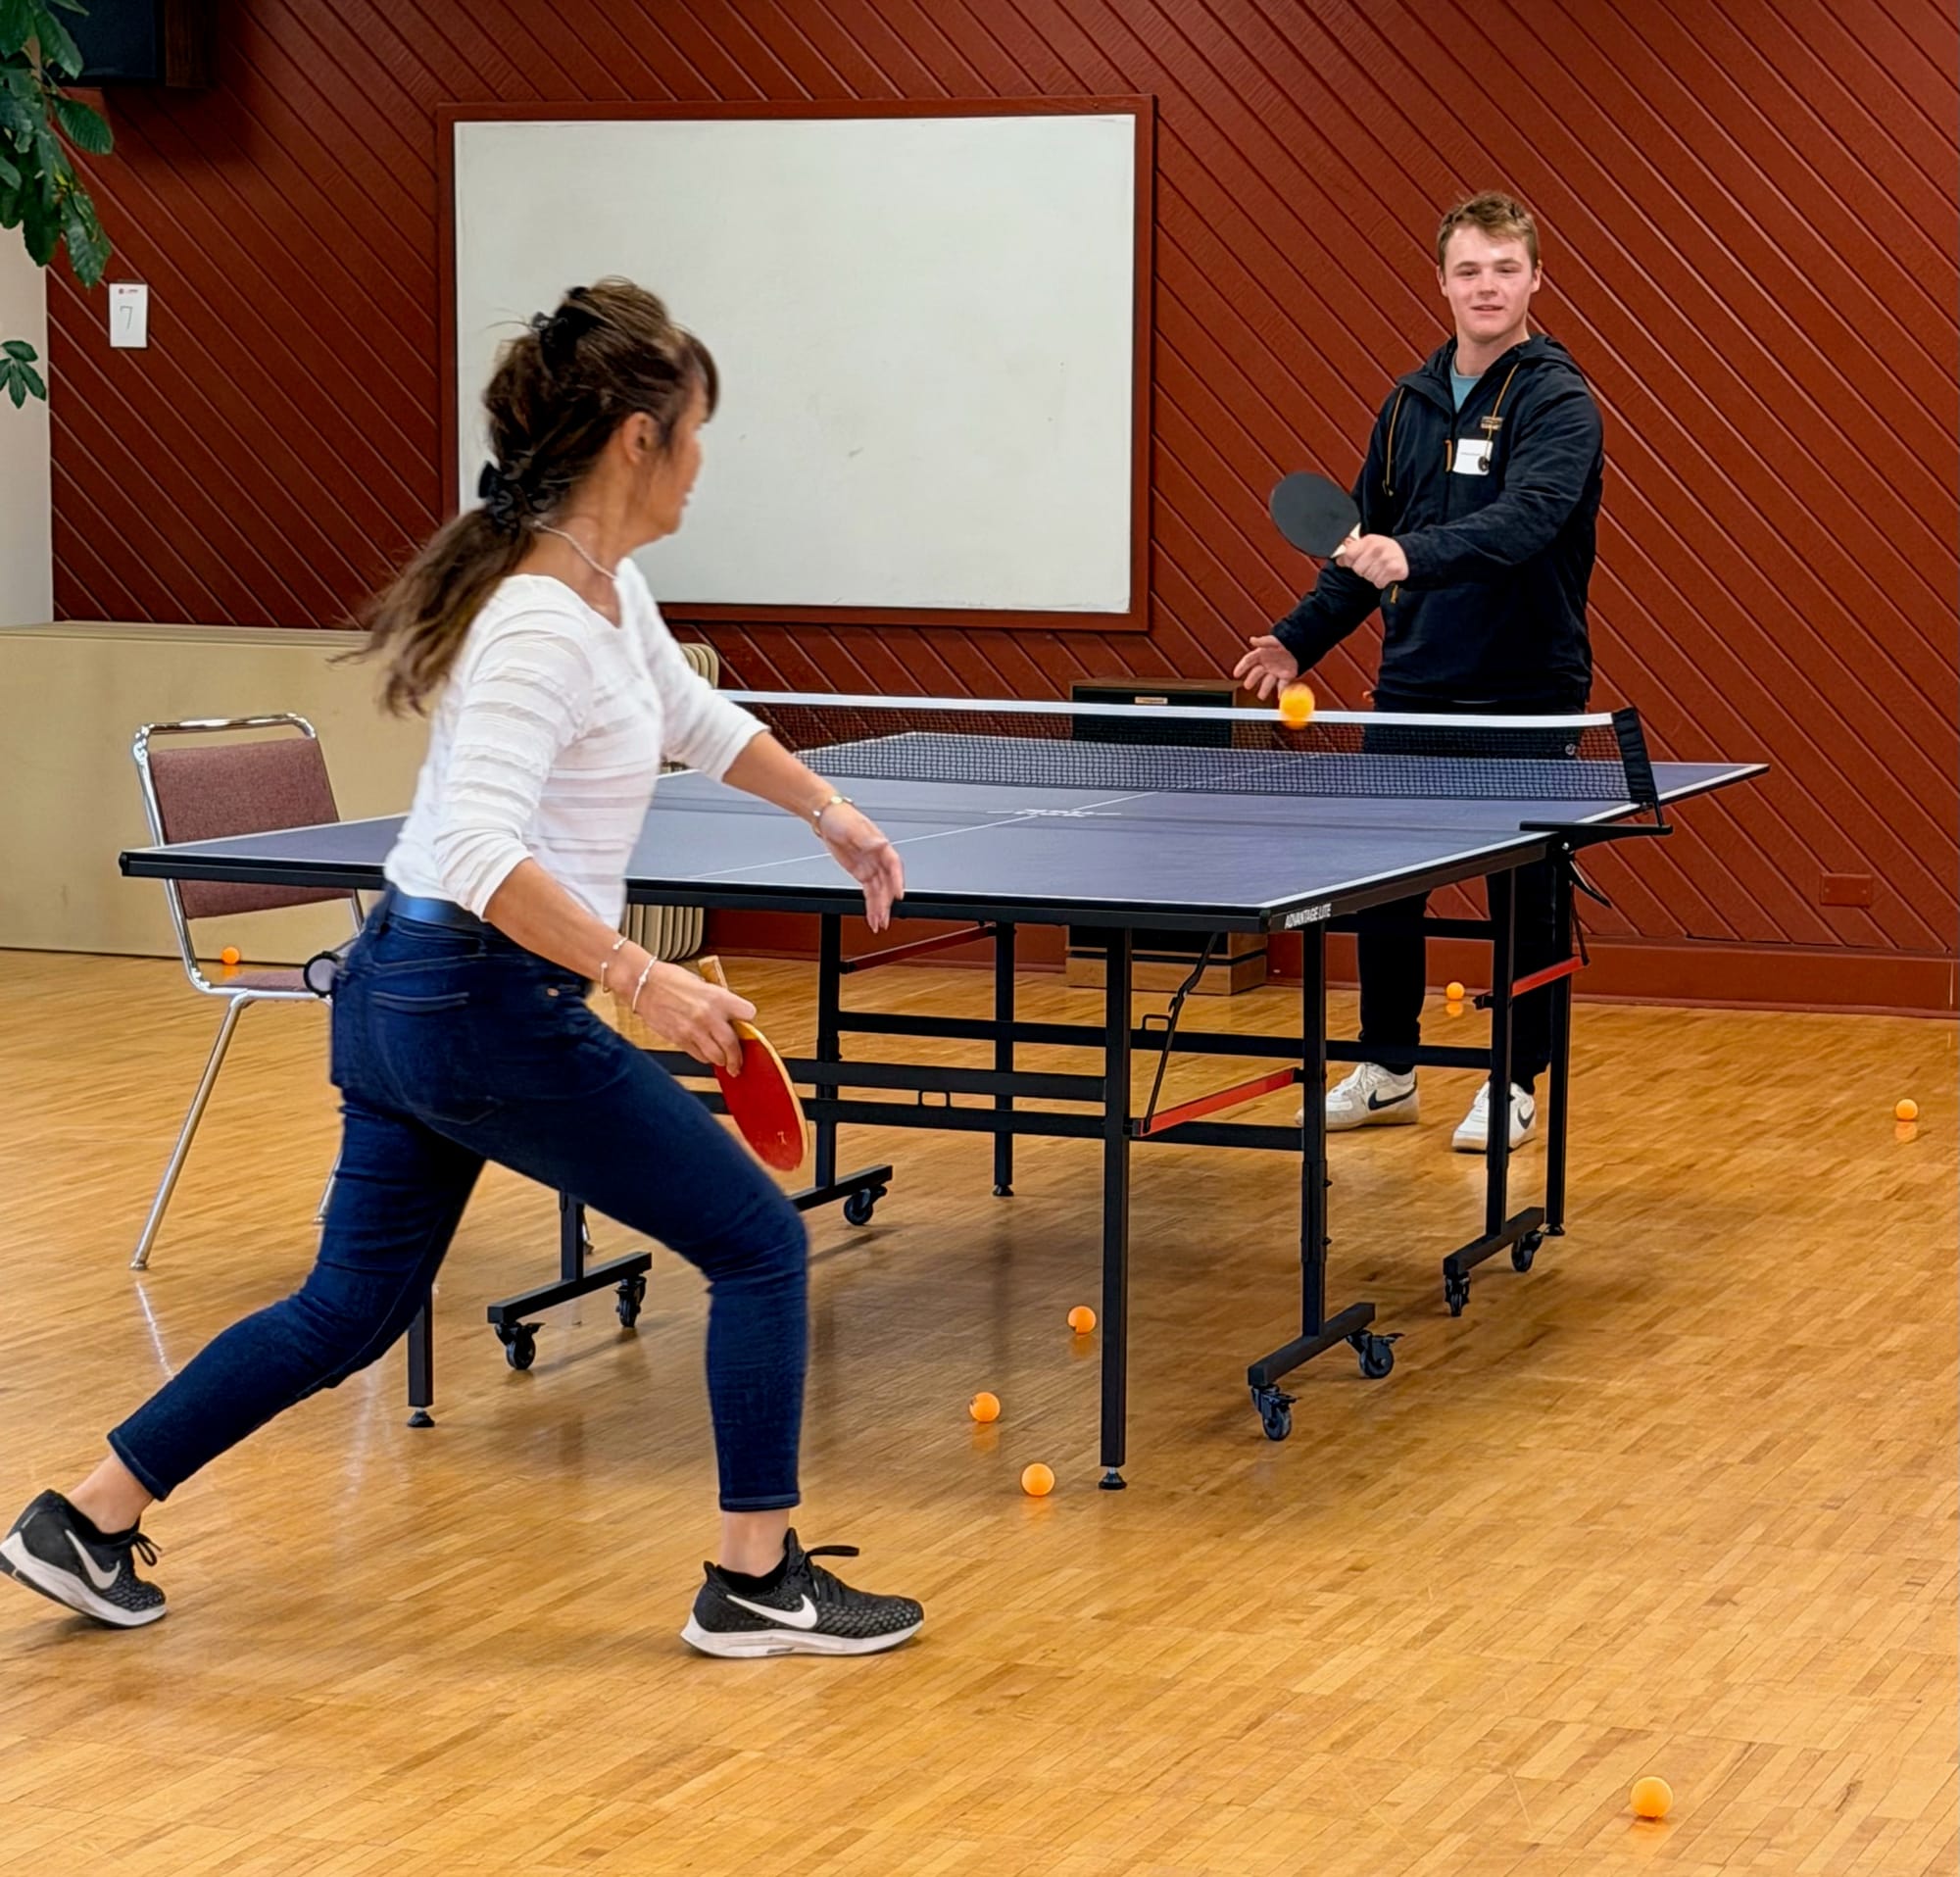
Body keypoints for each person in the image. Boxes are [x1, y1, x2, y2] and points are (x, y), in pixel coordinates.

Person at [2, 280, 925, 1658]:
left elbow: (689, 716)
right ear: (635, 439)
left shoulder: (607, 591)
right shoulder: (536, 625)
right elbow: (486, 851)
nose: (702, 458)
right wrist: (645, 978)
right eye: (694, 431)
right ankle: (754, 1579)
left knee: (349, 1308)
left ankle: (84, 1515)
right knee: (756, 1239)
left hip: (408, 990)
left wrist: (827, 811)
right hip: (479, 998)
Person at [1236, 190, 1603, 1153]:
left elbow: (1525, 522)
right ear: (1441, 282)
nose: (1486, 286)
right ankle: (1388, 1069)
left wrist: (1414, 554)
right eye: (1468, 269)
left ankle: (1515, 1080)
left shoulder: (1557, 401)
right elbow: (1359, 548)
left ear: (1534, 279)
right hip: (1414, 684)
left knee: (1525, 901)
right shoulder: (1407, 405)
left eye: (1505, 269)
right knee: (1386, 887)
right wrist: (1296, 641)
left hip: (1525, 693)